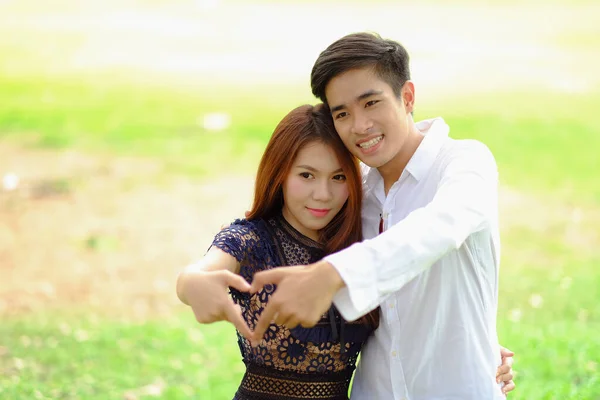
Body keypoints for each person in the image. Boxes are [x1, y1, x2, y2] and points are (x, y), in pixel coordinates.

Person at [249, 32, 515, 399]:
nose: (359, 126)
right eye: (342, 113)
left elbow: (440, 227)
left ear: (407, 97)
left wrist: (336, 273)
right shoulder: (353, 191)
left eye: (371, 103)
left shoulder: (464, 163)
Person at [176, 103, 380, 400]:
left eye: (339, 177)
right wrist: (192, 283)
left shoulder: (359, 242)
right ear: (280, 174)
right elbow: (200, 271)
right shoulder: (252, 239)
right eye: (307, 175)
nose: (323, 194)